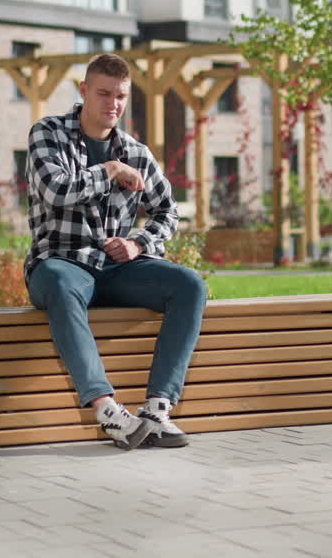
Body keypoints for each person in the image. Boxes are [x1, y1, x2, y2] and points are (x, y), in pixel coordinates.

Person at [23, 53, 206, 450]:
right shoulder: (47, 134)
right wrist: (110, 171)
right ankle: (108, 411)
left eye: (121, 96)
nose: (113, 104)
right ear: (84, 91)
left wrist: (139, 242)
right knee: (57, 279)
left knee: (189, 285)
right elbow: (56, 191)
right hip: (60, 263)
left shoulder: (135, 151)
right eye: (104, 94)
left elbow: (168, 211)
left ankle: (157, 411)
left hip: (115, 268)